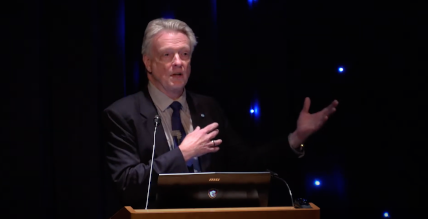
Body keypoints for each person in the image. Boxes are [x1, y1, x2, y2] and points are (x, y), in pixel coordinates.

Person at [102, 18, 339, 208]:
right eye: (167, 55)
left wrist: (296, 138)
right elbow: (127, 185)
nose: (178, 62)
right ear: (148, 62)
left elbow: (247, 164)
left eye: (185, 54)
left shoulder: (208, 107)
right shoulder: (123, 114)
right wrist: (182, 154)